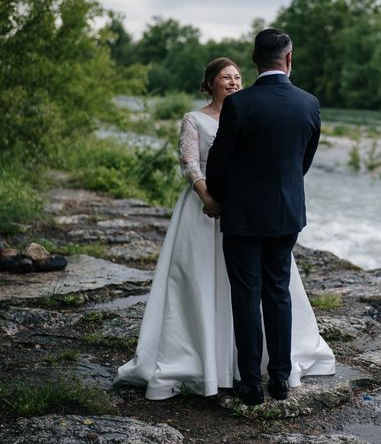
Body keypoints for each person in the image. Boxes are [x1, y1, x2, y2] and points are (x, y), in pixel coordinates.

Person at [115, 57, 335, 401]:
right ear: (210, 83)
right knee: (212, 285)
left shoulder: (249, 108)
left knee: (257, 292)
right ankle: (211, 361)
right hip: (209, 209)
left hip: (246, 213)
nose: (233, 82)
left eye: (236, 76)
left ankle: (256, 372)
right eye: (225, 77)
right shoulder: (197, 118)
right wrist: (210, 196)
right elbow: (192, 162)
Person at [205, 29, 327, 406]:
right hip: (286, 214)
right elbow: (302, 161)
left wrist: (224, 197)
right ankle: (279, 378)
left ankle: (250, 384)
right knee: (279, 293)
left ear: (255, 60)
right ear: (288, 59)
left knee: (246, 295)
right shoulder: (309, 103)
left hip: (242, 216)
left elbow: (219, 164)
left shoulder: (240, 104)